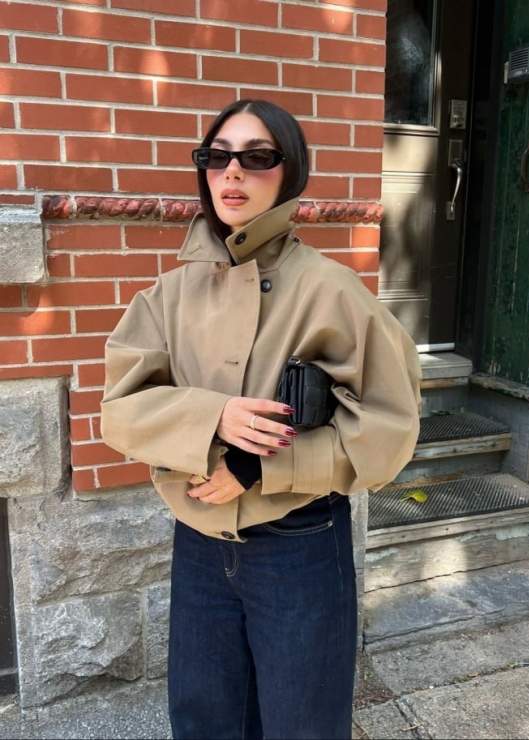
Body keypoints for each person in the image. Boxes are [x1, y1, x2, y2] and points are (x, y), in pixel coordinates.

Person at [100, 98, 422, 740]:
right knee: (204, 721)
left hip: (298, 544)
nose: (232, 172)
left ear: (289, 171)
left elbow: (389, 432)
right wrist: (214, 417)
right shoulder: (169, 294)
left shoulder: (331, 290)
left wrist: (258, 466)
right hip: (198, 543)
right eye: (217, 156)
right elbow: (119, 411)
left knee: (303, 725)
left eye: (257, 157)